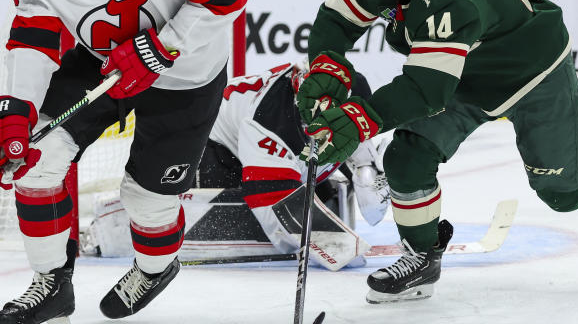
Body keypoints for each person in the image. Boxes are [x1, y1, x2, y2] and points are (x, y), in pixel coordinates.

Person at [0, 0, 247, 324]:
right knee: (36, 160)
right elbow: (35, 35)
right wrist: (14, 115)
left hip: (185, 73)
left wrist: (161, 47)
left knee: (146, 201)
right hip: (102, 64)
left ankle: (155, 268)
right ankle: (51, 286)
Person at [297, 0, 578, 304]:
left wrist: (359, 119)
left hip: (531, 75)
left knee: (561, 196)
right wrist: (325, 67)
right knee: (407, 158)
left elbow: (426, 89)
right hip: (463, 74)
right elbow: (337, 20)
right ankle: (422, 258)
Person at [80, 62, 390, 264]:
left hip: (241, 143)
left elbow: (374, 210)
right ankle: (108, 227)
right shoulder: (268, 125)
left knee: (324, 192)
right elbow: (281, 221)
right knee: (262, 214)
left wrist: (366, 168)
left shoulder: (340, 98)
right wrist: (339, 247)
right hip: (207, 147)